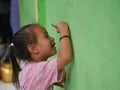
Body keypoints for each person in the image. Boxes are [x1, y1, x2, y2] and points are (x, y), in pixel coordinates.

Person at [9, 21, 72, 90]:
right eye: (46, 36)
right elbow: (65, 57)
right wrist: (63, 31)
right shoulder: (37, 70)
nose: (52, 38)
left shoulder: (29, 69)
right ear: (33, 49)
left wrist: (49, 79)